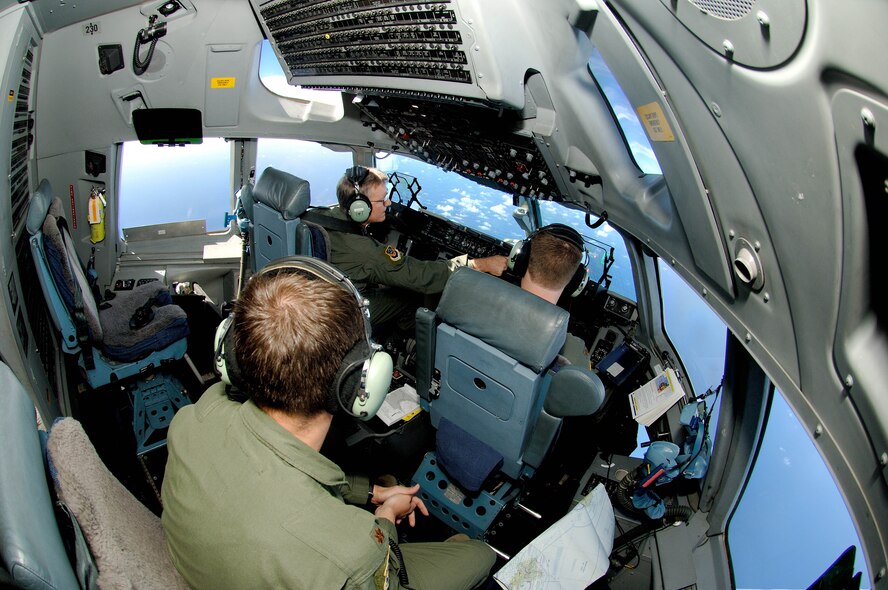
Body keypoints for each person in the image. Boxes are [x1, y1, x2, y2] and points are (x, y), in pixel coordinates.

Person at [161, 261, 496, 589]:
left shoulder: (195, 418)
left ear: (231, 352)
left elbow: (291, 476)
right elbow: (374, 567)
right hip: (361, 571)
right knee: (479, 555)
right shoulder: (352, 553)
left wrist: (374, 492)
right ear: (359, 386)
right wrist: (387, 517)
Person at [315, 165, 508, 334]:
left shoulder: (319, 215)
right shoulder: (368, 252)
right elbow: (423, 277)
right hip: (340, 313)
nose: (388, 204)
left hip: (318, 292)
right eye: (382, 200)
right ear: (359, 208)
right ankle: (408, 346)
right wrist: (478, 264)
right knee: (411, 297)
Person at [511, 224, 590, 366]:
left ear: (520, 259)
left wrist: (477, 265)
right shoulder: (574, 351)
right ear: (576, 282)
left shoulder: (476, 299)